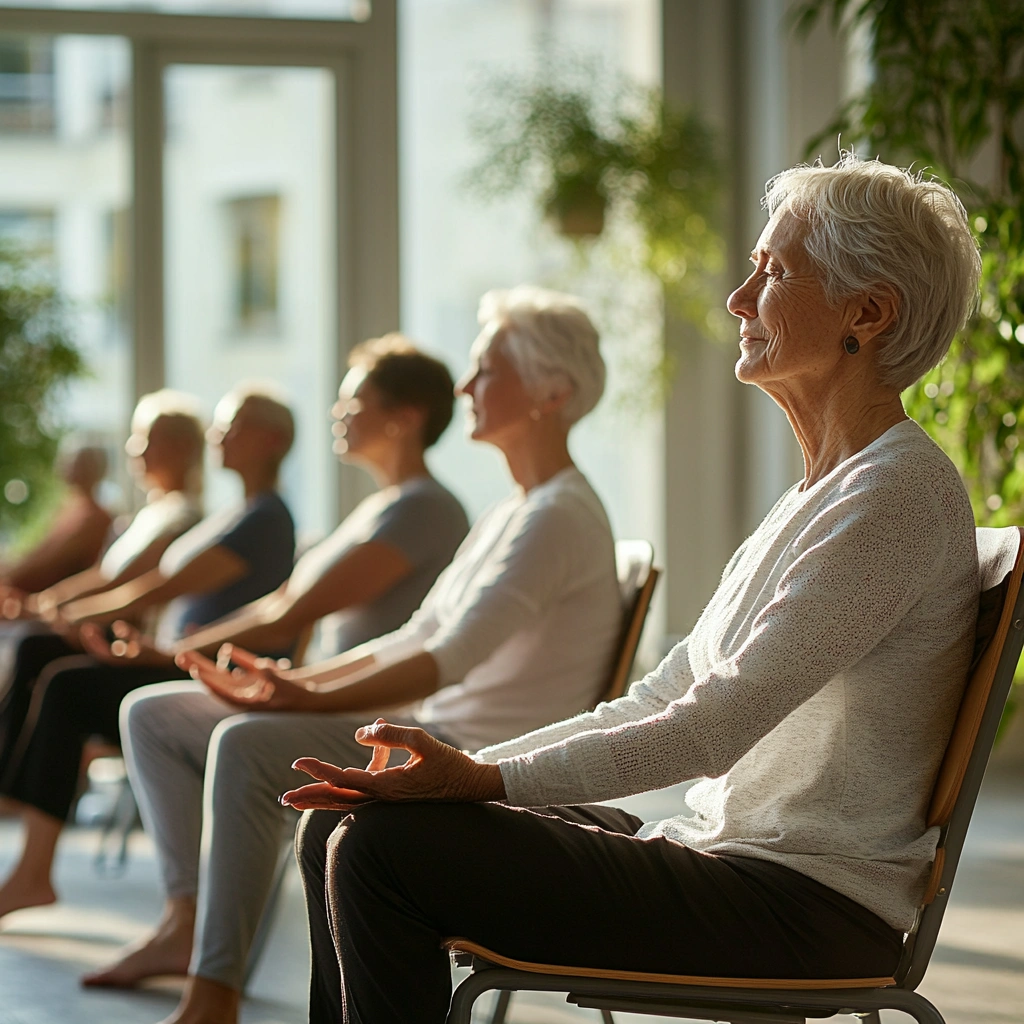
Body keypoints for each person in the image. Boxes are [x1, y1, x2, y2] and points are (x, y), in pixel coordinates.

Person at [283, 155, 985, 1024]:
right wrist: (468, 774)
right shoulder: (820, 493)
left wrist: (481, 784)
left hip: (800, 904)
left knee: (383, 849)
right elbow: (664, 691)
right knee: (340, 824)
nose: (738, 298)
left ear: (868, 314)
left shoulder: (895, 497)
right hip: (718, 854)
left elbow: (713, 726)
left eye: (771, 273)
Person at [93, 288, 622, 1024]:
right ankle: (189, 928)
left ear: (552, 393)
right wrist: (292, 682)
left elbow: (451, 656)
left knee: (243, 742)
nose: (465, 388)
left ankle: (210, 995)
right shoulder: (515, 508)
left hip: (471, 753)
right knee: (156, 715)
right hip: (427, 727)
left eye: (486, 370)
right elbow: (415, 634)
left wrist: (295, 698)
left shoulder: (558, 514)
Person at [0, 384, 297, 922]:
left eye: (233, 426)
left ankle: (31, 871)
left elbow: (156, 588)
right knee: (54, 665)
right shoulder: (239, 513)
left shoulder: (265, 518)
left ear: (272, 439)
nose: (217, 434)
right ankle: (28, 859)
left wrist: (144, 645)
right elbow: (155, 582)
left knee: (67, 685)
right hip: (173, 661)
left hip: (198, 674)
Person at [0, 439, 112, 604]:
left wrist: (9, 575)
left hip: (53, 608)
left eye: (79, 463)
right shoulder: (67, 510)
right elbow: (39, 552)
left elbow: (49, 561)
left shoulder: (95, 518)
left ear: (96, 469)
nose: (69, 466)